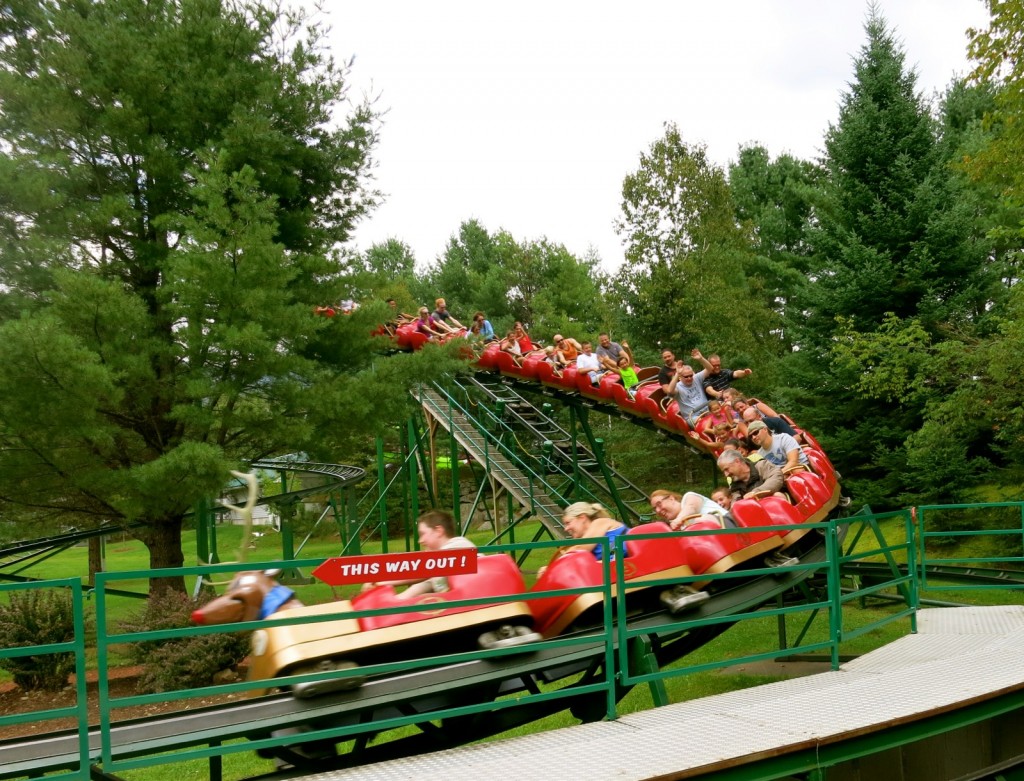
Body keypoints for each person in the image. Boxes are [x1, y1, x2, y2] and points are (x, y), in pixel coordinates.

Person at [368, 510, 476, 599]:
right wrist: (394, 600)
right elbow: (422, 584)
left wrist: (380, 583)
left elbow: (421, 571)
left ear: (438, 531)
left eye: (423, 534)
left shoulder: (458, 545)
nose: (420, 540)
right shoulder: (440, 570)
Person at [664, 349, 715, 425]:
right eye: (686, 377)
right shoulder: (678, 387)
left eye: (690, 375)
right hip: (693, 416)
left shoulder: (696, 378)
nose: (689, 378)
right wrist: (677, 373)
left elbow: (710, 369)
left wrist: (701, 359)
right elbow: (669, 391)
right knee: (705, 423)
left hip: (707, 410)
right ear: (680, 377)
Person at [717, 449, 786, 501]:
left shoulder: (761, 466)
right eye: (724, 471)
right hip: (757, 513)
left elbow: (777, 478)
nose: (726, 475)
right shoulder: (734, 487)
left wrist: (756, 493)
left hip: (776, 505)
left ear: (737, 461)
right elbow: (736, 503)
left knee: (777, 495)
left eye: (726, 469)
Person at [649, 489, 734, 530]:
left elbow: (691, 507)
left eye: (659, 505)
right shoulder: (680, 527)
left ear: (671, 498)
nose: (658, 510)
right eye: (655, 509)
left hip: (730, 524)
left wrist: (678, 520)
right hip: (713, 544)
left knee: (702, 520)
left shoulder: (689, 496)